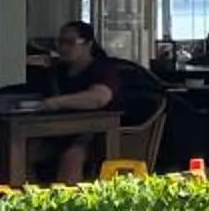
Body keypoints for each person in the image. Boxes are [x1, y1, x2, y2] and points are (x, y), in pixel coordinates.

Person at [39, 20, 158, 182]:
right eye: (60, 42)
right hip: (61, 131)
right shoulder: (58, 71)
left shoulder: (102, 69)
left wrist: (58, 102)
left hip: (101, 134)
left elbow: (99, 98)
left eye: (70, 42)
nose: (63, 48)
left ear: (88, 44)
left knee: (72, 156)